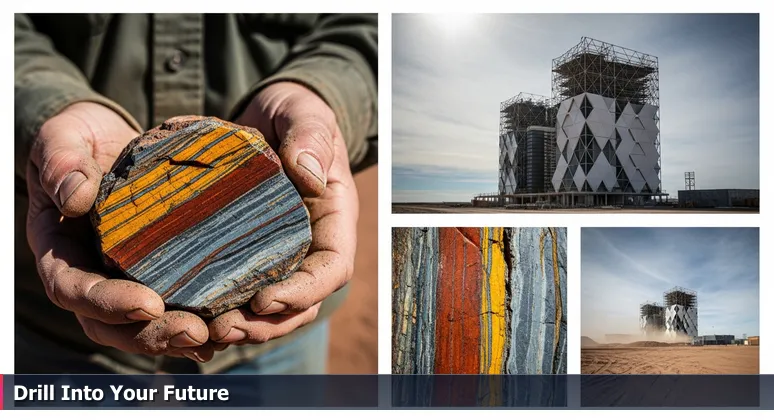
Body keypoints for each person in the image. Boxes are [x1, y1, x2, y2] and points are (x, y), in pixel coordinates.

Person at [14, 13, 378, 374]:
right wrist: (45, 107)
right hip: (58, 326)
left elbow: (373, 25)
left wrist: (323, 93)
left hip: (276, 332)